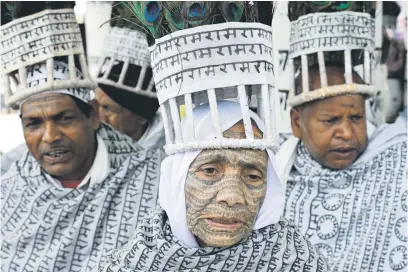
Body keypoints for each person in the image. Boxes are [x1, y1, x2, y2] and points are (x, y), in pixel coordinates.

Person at [100, 2, 327, 271]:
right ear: (176, 181)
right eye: (210, 170)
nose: (232, 197)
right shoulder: (131, 265)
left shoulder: (296, 262)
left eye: (253, 175)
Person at [0, 3, 162, 271]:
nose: (50, 136)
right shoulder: (9, 191)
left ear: (93, 116)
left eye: (64, 118)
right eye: (34, 124)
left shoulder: (155, 178)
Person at [279, 2, 407, 271]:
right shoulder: (272, 176)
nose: (347, 133)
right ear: (297, 123)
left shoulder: (397, 160)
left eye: (356, 118)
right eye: (331, 120)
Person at [93, 4, 164, 150]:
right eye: (96, 106)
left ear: (142, 118)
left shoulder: (166, 157)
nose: (98, 118)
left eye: (107, 108)